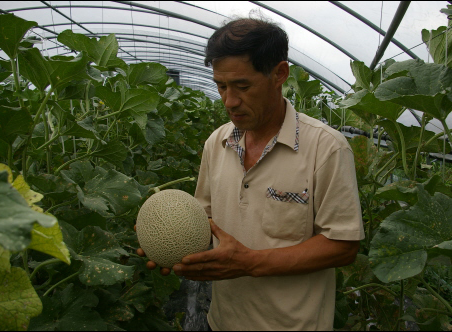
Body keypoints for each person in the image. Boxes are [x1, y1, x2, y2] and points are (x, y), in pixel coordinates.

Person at [138, 16, 365, 331]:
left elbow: (342, 245)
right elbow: (204, 224)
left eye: (242, 86)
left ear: (279, 74)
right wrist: (170, 242)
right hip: (222, 322)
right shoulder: (216, 144)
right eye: (221, 86)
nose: (230, 101)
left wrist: (248, 263)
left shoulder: (327, 149)